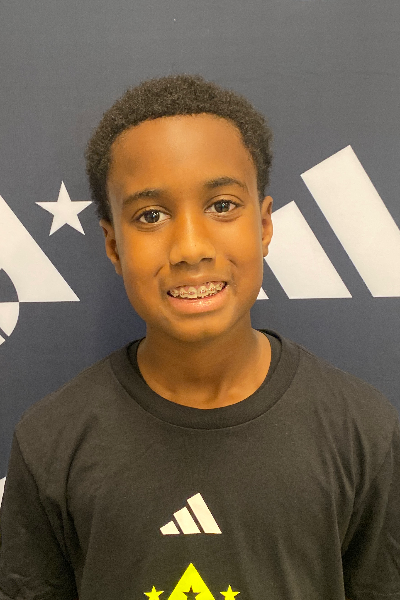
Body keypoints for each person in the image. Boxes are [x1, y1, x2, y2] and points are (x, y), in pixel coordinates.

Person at [0, 74, 399, 600]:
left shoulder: (362, 432)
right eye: (151, 215)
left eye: (222, 206)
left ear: (264, 225)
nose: (190, 248)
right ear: (113, 245)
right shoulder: (52, 442)